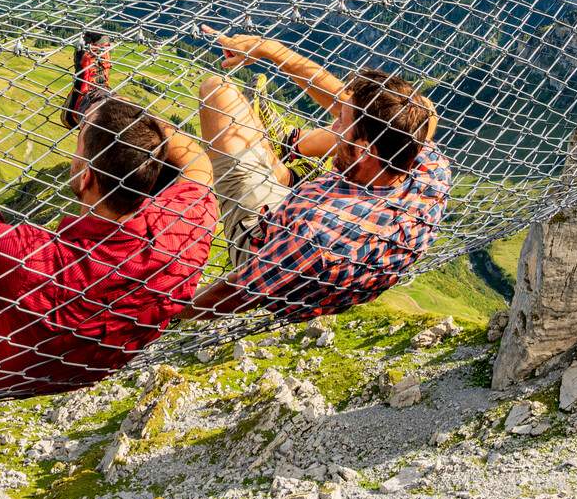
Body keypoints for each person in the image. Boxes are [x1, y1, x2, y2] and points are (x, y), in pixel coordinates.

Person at [0, 59, 216, 397]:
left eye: (81, 145)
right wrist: (132, 130)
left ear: (85, 176)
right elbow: (196, 161)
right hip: (100, 355)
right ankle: (90, 98)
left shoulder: (29, 257)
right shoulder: (186, 224)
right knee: (167, 171)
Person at [189, 26, 448, 320]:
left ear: (363, 151)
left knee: (217, 91)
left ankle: (282, 153)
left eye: (340, 122)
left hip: (269, 238)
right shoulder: (430, 170)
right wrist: (270, 49)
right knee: (415, 112)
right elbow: (421, 112)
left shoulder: (313, 237)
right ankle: (288, 150)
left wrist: (164, 307)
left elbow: (235, 293)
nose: (333, 123)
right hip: (335, 211)